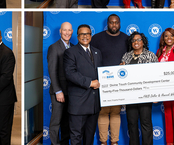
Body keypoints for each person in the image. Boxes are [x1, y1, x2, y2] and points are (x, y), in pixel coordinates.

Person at [91, 14, 128, 145]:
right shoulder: (97, 38)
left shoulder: (126, 39)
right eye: (111, 23)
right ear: (107, 23)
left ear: (120, 23)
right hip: (102, 82)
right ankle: (103, 142)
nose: (114, 25)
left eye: (116, 22)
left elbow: (130, 57)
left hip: (119, 82)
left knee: (116, 112)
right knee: (103, 112)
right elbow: (90, 58)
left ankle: (114, 142)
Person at [64, 24, 102, 145]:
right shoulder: (70, 52)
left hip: (94, 104)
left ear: (91, 35)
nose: (85, 36)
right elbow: (70, 73)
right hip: (79, 104)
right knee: (76, 137)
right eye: (82, 34)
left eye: (87, 34)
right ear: (78, 36)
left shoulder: (97, 52)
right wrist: (90, 83)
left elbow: (102, 72)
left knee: (89, 137)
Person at [121, 32, 158, 145]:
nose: (136, 42)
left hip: (145, 96)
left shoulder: (151, 55)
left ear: (143, 41)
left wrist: (156, 93)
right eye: (133, 40)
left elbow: (157, 75)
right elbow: (121, 76)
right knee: (131, 123)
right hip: (130, 96)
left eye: (138, 40)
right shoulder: (126, 56)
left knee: (145, 123)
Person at [47, 22, 73, 145]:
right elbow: (52, 71)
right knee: (56, 121)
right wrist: (58, 91)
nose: (67, 33)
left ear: (72, 32)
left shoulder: (73, 47)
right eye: (64, 30)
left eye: (69, 30)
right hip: (59, 92)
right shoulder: (54, 47)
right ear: (60, 32)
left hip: (72, 92)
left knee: (67, 121)